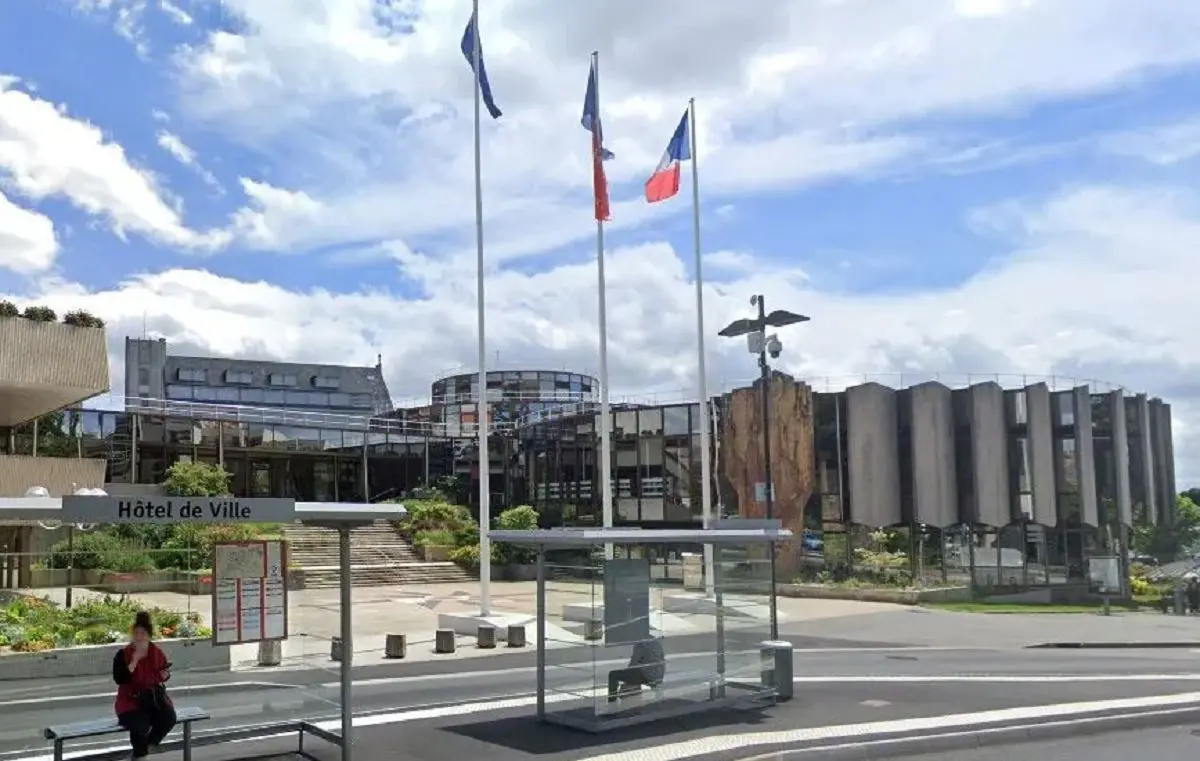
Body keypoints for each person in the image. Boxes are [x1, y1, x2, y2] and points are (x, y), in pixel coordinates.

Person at [112, 611, 176, 759]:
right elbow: (120, 679)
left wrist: (164, 676)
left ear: (149, 635)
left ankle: (145, 749)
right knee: (140, 725)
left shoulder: (156, 652)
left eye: (142, 634)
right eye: (136, 634)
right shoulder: (123, 654)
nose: (139, 638)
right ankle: (140, 754)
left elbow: (161, 673)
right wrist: (134, 661)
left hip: (152, 699)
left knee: (169, 718)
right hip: (130, 701)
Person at [607, 636, 666, 703]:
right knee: (632, 674)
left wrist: (626, 675)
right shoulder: (654, 640)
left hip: (646, 675)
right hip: (658, 675)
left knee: (613, 675)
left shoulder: (640, 643)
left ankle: (612, 702)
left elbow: (634, 663)